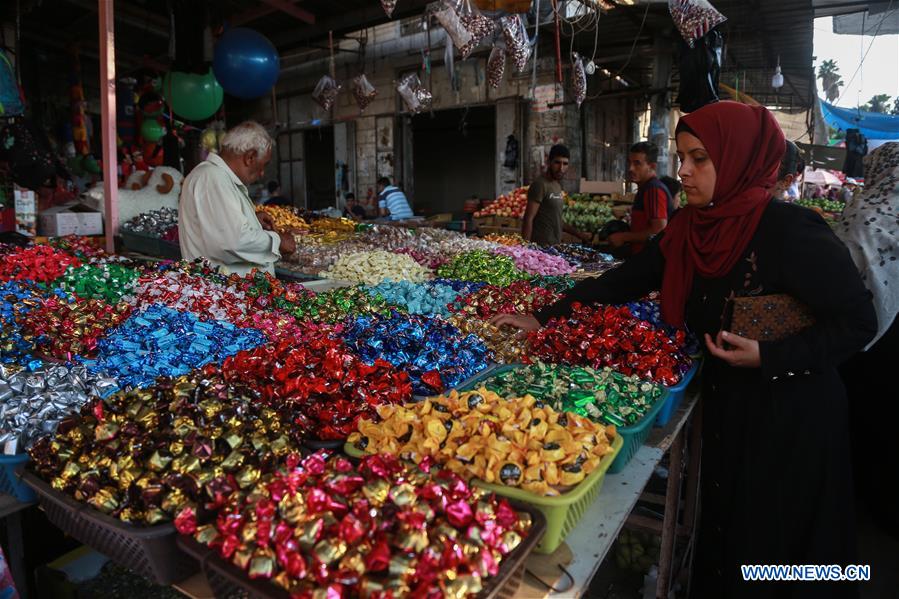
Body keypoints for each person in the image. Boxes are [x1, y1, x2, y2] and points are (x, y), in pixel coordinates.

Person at [493, 101, 876, 598]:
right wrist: (546, 316)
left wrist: (771, 356)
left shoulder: (791, 233)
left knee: (785, 548)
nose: (685, 172)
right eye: (681, 157)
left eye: (701, 159)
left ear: (739, 159)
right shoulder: (690, 229)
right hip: (730, 408)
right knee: (735, 542)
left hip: (792, 418)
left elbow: (857, 322)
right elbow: (627, 279)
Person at [836, 143, 899, 540]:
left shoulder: (866, 211)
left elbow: (839, 271)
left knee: (864, 419)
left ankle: (863, 504)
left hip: (869, 342)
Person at [179, 121, 296, 276]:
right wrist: (278, 241)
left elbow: (220, 229)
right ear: (250, 157)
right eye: (264, 165)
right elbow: (233, 241)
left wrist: (251, 220)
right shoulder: (213, 178)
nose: (262, 173)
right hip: (224, 293)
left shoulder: (216, 177)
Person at [607, 142, 673, 254]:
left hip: (651, 263)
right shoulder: (645, 188)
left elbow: (659, 230)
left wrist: (624, 237)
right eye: (630, 163)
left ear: (652, 166)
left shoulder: (653, 190)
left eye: (637, 163)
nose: (631, 168)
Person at [521, 144, 591, 245]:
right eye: (557, 163)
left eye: (565, 164)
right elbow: (528, 218)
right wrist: (525, 248)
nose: (561, 168)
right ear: (549, 162)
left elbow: (556, 219)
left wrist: (579, 234)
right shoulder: (540, 184)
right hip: (540, 249)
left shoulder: (557, 186)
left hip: (554, 248)